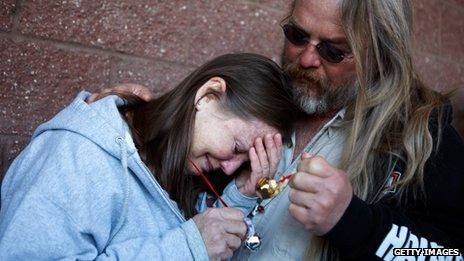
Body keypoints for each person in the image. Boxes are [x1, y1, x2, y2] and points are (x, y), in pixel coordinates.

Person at [97, 0, 464, 260]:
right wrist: (131, 119)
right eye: (296, 35)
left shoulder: (423, 135)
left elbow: (450, 255)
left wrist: (354, 222)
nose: (305, 59)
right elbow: (167, 188)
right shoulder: (261, 95)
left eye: (334, 52)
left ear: (379, 56)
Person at [0, 53, 303, 260]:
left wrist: (239, 197)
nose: (230, 166)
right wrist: (186, 249)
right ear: (208, 96)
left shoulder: (177, 166)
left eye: (245, 161)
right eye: (237, 147)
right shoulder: (78, 155)